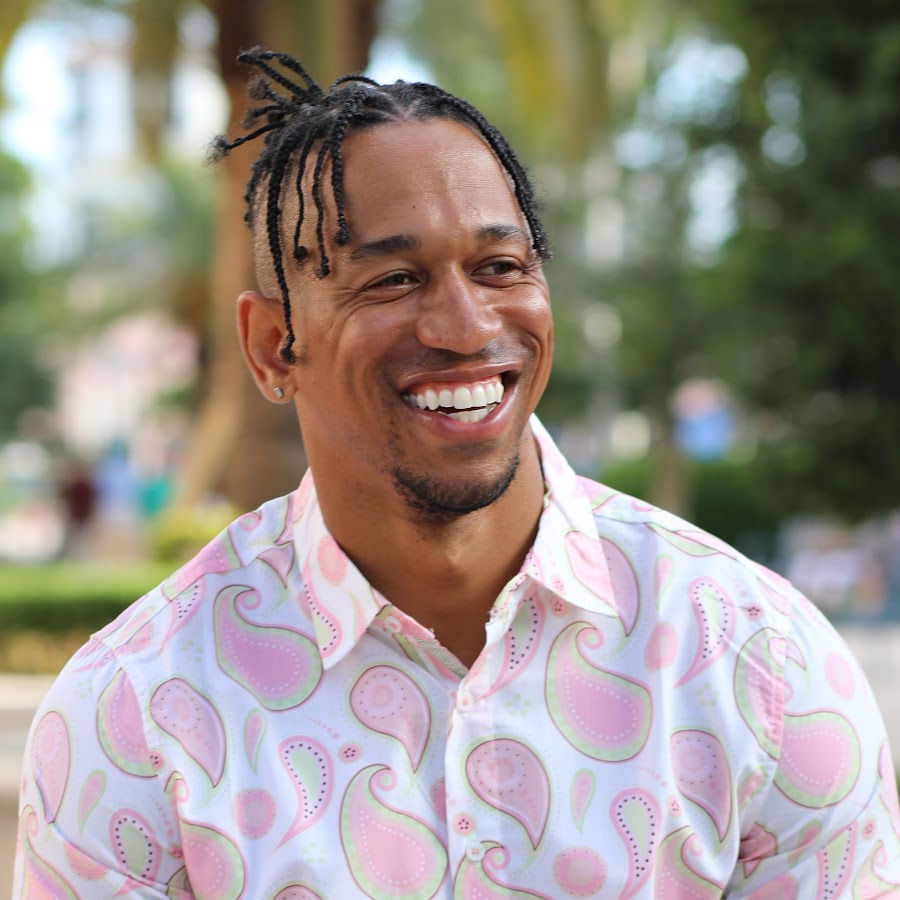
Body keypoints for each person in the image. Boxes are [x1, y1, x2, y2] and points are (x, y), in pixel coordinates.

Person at [14, 48, 900, 898]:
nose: (467, 326)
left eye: (500, 267)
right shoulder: (136, 715)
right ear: (273, 345)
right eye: (393, 279)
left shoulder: (757, 662)